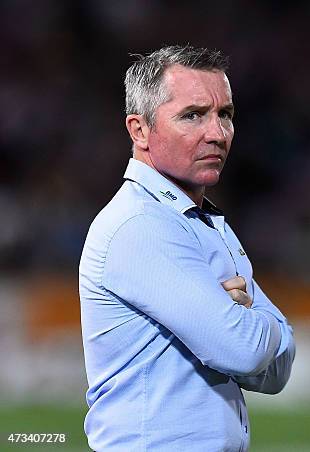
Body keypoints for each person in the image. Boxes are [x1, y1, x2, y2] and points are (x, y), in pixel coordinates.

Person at [79, 45, 295, 451]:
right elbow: (247, 353)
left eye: (225, 114)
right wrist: (251, 323)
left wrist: (239, 321)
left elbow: (278, 371)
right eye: (192, 115)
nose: (216, 133)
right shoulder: (140, 225)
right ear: (139, 130)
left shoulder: (203, 222)